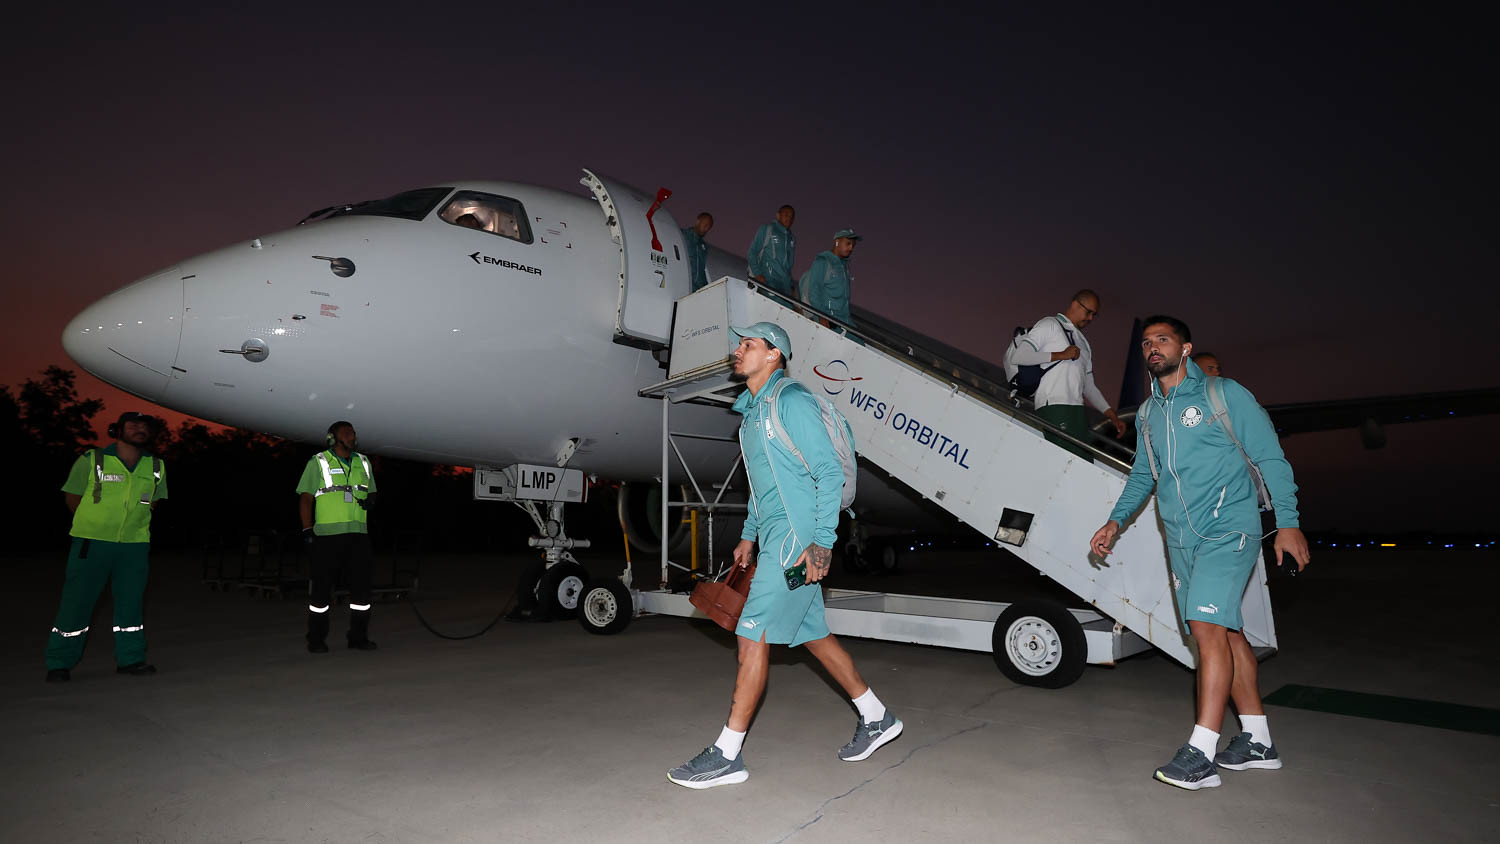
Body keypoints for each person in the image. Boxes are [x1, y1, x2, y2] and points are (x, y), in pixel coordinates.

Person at [667, 322, 901, 789]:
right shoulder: (753, 413)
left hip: (797, 538)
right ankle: (876, 717)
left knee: (752, 635)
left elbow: (828, 475)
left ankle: (727, 754)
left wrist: (822, 543)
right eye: (739, 344)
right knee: (813, 636)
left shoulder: (790, 402)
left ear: (774, 355)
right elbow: (762, 487)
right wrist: (750, 535)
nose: (738, 351)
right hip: (775, 536)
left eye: (748, 344)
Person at [1089, 315, 1310, 791]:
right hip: (1181, 540)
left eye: (1163, 339)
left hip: (1229, 529)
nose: (1153, 347)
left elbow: (1271, 457)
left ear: (1185, 348)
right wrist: (1115, 520)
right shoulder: (1149, 413)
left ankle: (1202, 751)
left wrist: (1287, 524)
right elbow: (1144, 477)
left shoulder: (1224, 394)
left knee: (1208, 628)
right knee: (1227, 636)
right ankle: (1257, 741)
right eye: (1147, 342)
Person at [45, 411, 167, 682]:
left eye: (144, 426)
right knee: (77, 603)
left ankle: (131, 660)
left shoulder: (156, 466)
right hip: (93, 544)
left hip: (134, 547)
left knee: (131, 605)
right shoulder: (92, 460)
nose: (139, 429)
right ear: (117, 429)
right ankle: (59, 663)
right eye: (132, 424)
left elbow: (153, 503)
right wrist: (94, 527)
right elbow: (72, 497)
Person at [1008, 290, 1126, 459]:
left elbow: (1089, 386)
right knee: (1069, 461)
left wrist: (1112, 416)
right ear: (1075, 305)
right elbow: (1018, 356)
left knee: (1083, 462)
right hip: (1054, 404)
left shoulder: (1084, 343)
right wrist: (1061, 355)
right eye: (1088, 312)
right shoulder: (1050, 324)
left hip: (1077, 409)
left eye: (1094, 315)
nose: (1091, 318)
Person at [297, 421, 379, 653]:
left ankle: (358, 638)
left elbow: (371, 491)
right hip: (327, 538)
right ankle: (316, 639)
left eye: (353, 432)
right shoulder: (318, 462)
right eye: (346, 433)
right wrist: (307, 530)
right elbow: (305, 498)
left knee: (362, 592)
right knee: (322, 592)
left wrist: (372, 500)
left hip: (358, 536)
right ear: (333, 438)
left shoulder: (364, 462)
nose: (352, 436)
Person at [799, 228, 860, 326]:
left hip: (844, 319)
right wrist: (822, 316)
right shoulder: (823, 262)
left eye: (853, 245)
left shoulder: (844, 266)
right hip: (830, 318)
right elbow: (813, 292)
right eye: (848, 243)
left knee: (859, 340)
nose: (851, 248)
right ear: (837, 242)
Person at [746, 205, 797, 297]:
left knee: (787, 308)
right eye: (786, 215)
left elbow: (789, 266)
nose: (789, 218)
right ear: (778, 215)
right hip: (767, 281)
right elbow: (752, 252)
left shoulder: (792, 239)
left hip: (784, 286)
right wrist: (758, 274)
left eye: (791, 217)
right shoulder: (767, 229)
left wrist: (791, 286)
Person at [681, 212, 714, 292]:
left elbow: (701, 269)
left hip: (699, 291)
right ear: (698, 221)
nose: (706, 229)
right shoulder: (682, 235)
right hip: (685, 288)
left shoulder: (703, 246)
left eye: (709, 228)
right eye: (705, 225)